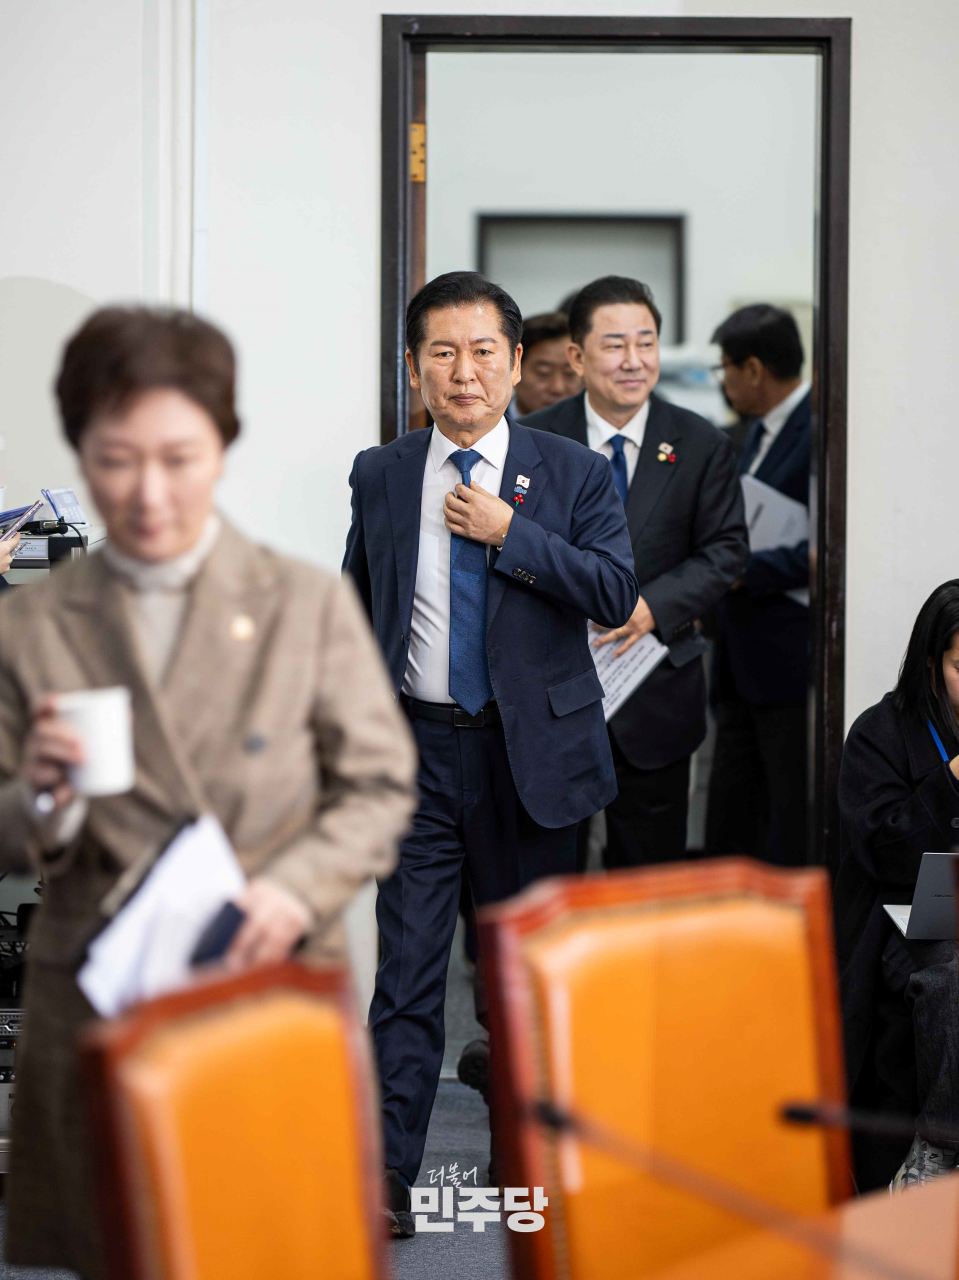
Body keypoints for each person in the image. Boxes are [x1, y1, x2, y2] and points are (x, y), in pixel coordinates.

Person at [0, 306, 418, 1277]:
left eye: (178, 458)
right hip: (101, 990)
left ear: (223, 448)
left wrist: (292, 892)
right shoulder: (35, 622)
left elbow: (378, 783)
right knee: (116, 1246)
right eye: (116, 461)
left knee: (261, 1240)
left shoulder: (301, 603)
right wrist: (45, 800)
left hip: (261, 973)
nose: (148, 493)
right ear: (81, 454)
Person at [343, 270, 637, 1236]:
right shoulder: (382, 473)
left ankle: (523, 1169)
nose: (462, 372)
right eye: (442, 353)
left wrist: (513, 534)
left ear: (515, 364)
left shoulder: (574, 473)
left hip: (531, 761)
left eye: (480, 352)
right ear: (414, 369)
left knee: (520, 983)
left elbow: (612, 592)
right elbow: (359, 610)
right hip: (418, 755)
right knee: (406, 976)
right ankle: (388, 1177)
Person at [523, 276, 747, 867]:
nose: (633, 360)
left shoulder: (700, 442)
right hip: (554, 693)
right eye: (615, 344)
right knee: (551, 876)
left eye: (645, 343)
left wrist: (650, 607)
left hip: (655, 689)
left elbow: (726, 550)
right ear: (577, 356)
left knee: (646, 881)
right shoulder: (535, 440)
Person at [835, 581, 959, 1192]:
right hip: (907, 920)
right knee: (952, 970)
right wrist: (952, 778)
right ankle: (938, 1144)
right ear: (932, 665)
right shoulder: (880, 733)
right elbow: (883, 851)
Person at [703, 304, 811, 866]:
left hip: (786, 658)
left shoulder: (820, 426)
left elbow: (832, 551)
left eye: (724, 367)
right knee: (732, 816)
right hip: (739, 656)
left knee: (784, 816)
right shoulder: (752, 432)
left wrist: (741, 569)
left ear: (751, 369)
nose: (722, 381)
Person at [512, 310, 582, 417]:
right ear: (515, 368)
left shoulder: (595, 424)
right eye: (543, 373)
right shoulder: (490, 423)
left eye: (569, 373)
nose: (557, 388)